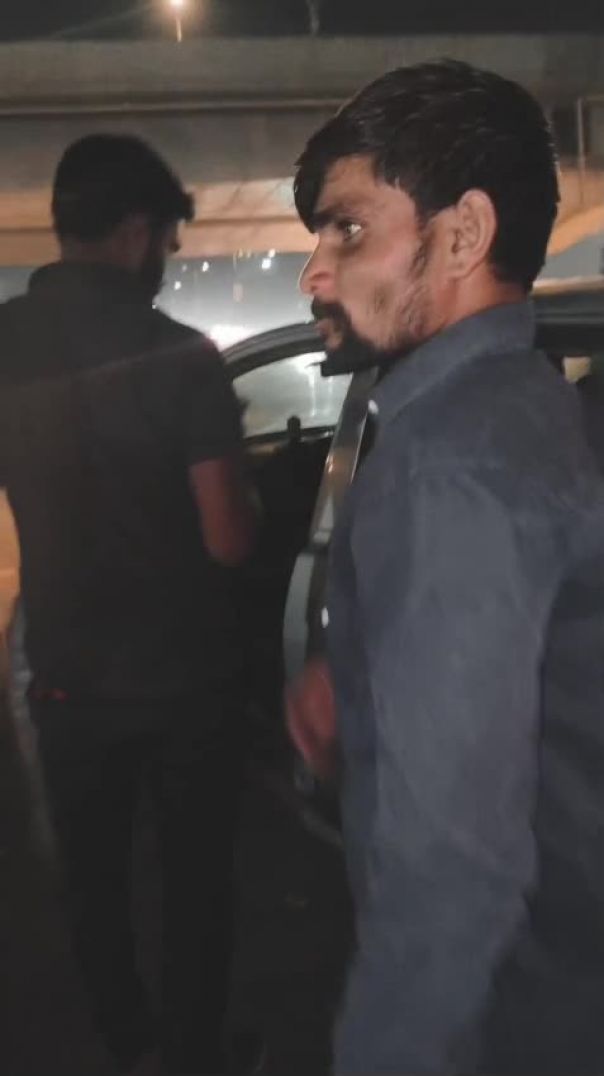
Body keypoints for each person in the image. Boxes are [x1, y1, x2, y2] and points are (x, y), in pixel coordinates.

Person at [288, 60, 604, 1074]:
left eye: (348, 229)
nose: (315, 273)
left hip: (508, 1016)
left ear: (464, 234)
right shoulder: (525, 402)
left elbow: (451, 872)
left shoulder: (451, 463)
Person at [0, 134, 258, 1076]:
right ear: (138, 232)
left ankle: (126, 1044)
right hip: (184, 678)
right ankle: (193, 1053)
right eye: (169, 244)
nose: (168, 263)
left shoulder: (5, 342)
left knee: (92, 880)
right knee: (194, 885)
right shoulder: (180, 356)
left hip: (66, 673)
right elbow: (228, 538)